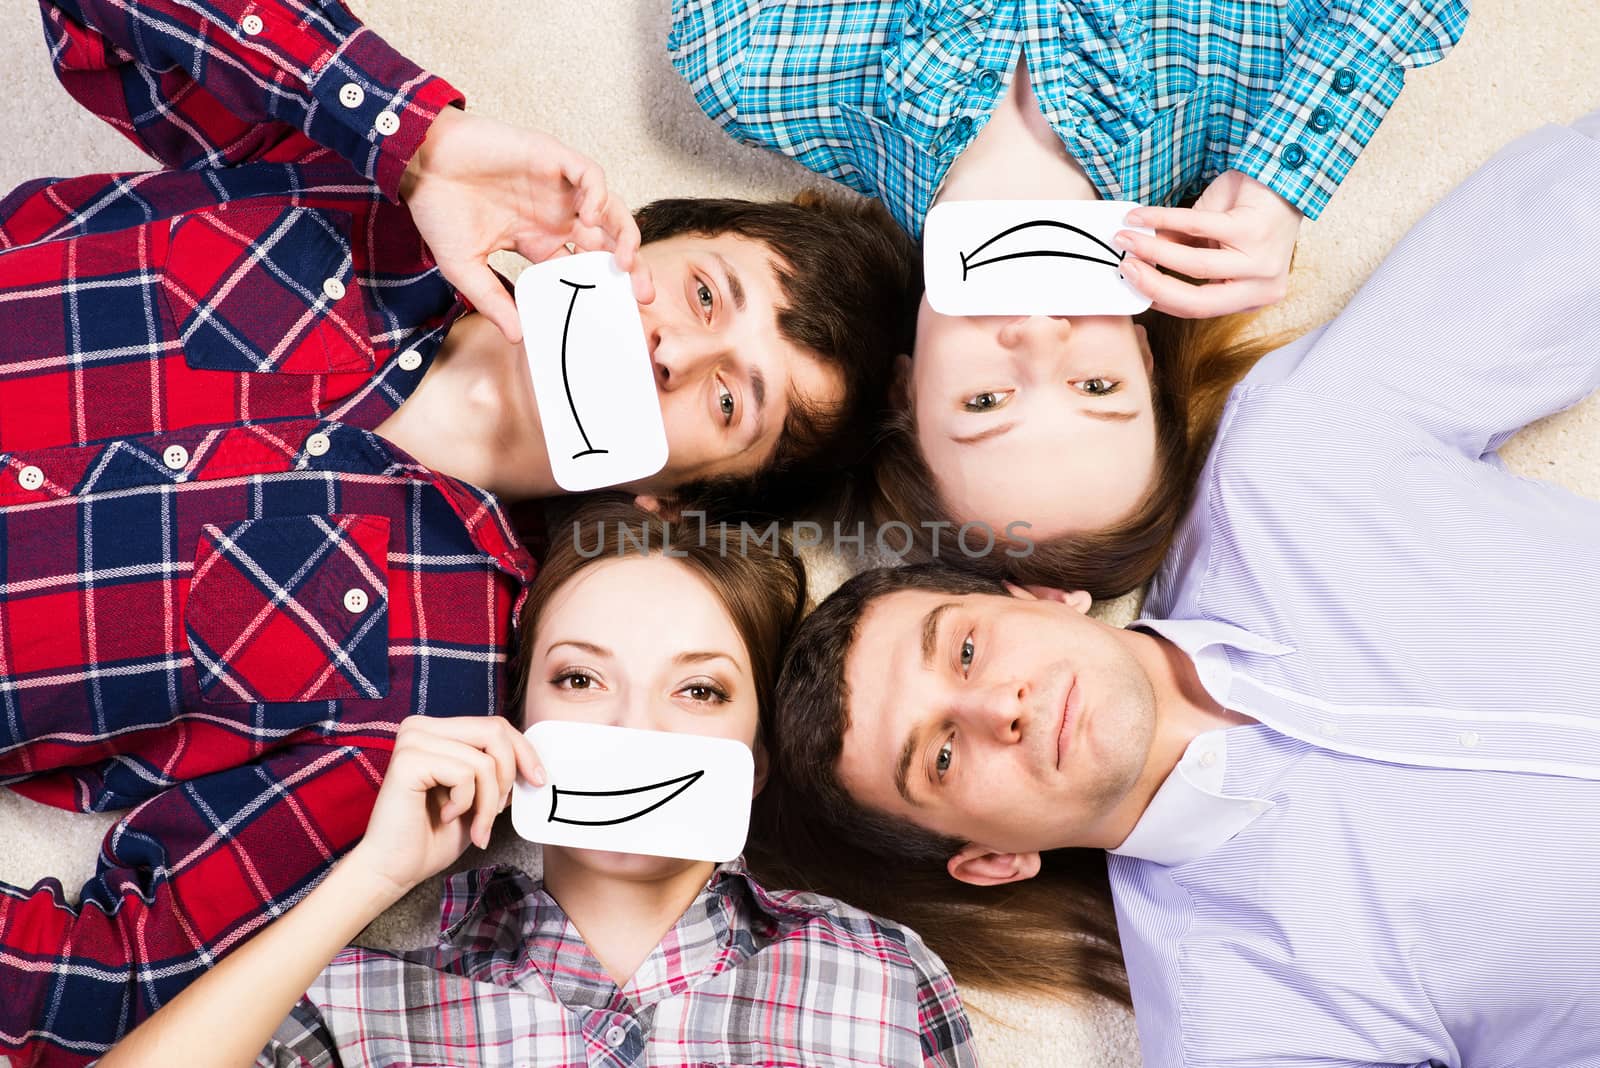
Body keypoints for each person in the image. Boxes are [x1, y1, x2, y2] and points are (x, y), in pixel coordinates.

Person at [0, 2, 916, 1064]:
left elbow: (103, 980)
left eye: (728, 405)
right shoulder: (370, 183)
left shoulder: (427, 699)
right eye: (705, 294)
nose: (677, 353)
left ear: (670, 499)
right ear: (639, 241)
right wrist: (414, 139)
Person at [765, 109, 1600, 1065]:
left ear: (1038, 597)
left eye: (963, 649)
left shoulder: (1290, 466)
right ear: (992, 864)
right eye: (943, 758)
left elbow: (1570, 221)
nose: (998, 707)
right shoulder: (1240, 1024)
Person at [96, 500, 976, 1068]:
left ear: (761, 758)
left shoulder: (880, 975)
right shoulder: (359, 1003)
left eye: (699, 690)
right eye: (581, 680)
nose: (635, 729)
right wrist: (371, 879)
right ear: (517, 724)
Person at [670, 0, 1469, 596]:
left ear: (905, 388)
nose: (1040, 337)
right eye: (1096, 386)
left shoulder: (750, 68)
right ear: (1143, 353)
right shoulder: (1260, 100)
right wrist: (1286, 177)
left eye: (986, 400)